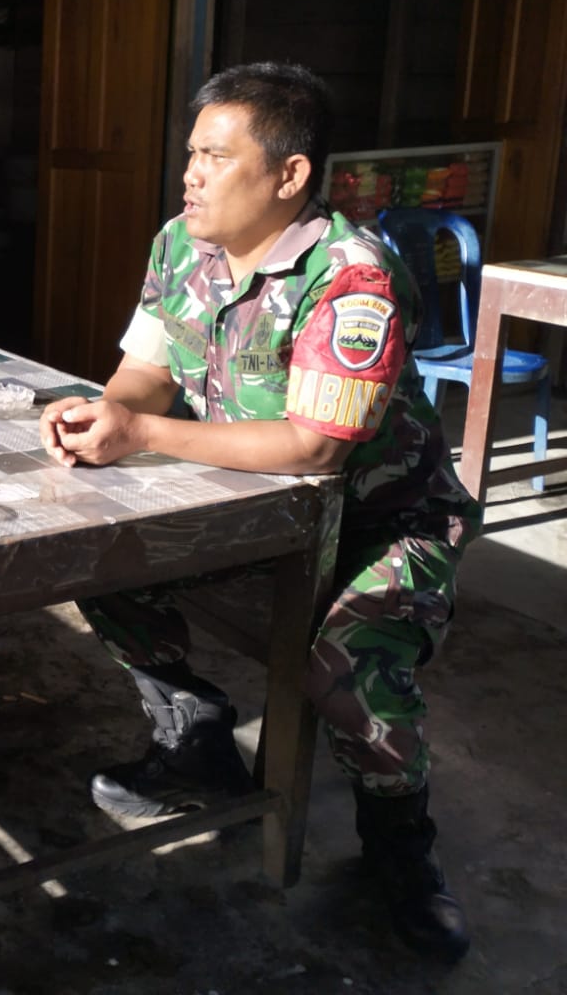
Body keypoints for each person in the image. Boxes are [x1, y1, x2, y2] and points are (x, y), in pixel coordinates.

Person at [38, 62, 480, 963]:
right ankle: (194, 740)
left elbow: (317, 447)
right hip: (251, 508)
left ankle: (400, 845)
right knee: (80, 540)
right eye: (191, 155)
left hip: (380, 524)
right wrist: (105, 414)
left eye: (215, 157)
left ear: (289, 174)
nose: (190, 176)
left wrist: (143, 433)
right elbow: (145, 369)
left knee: (347, 665)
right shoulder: (180, 245)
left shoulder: (351, 278)